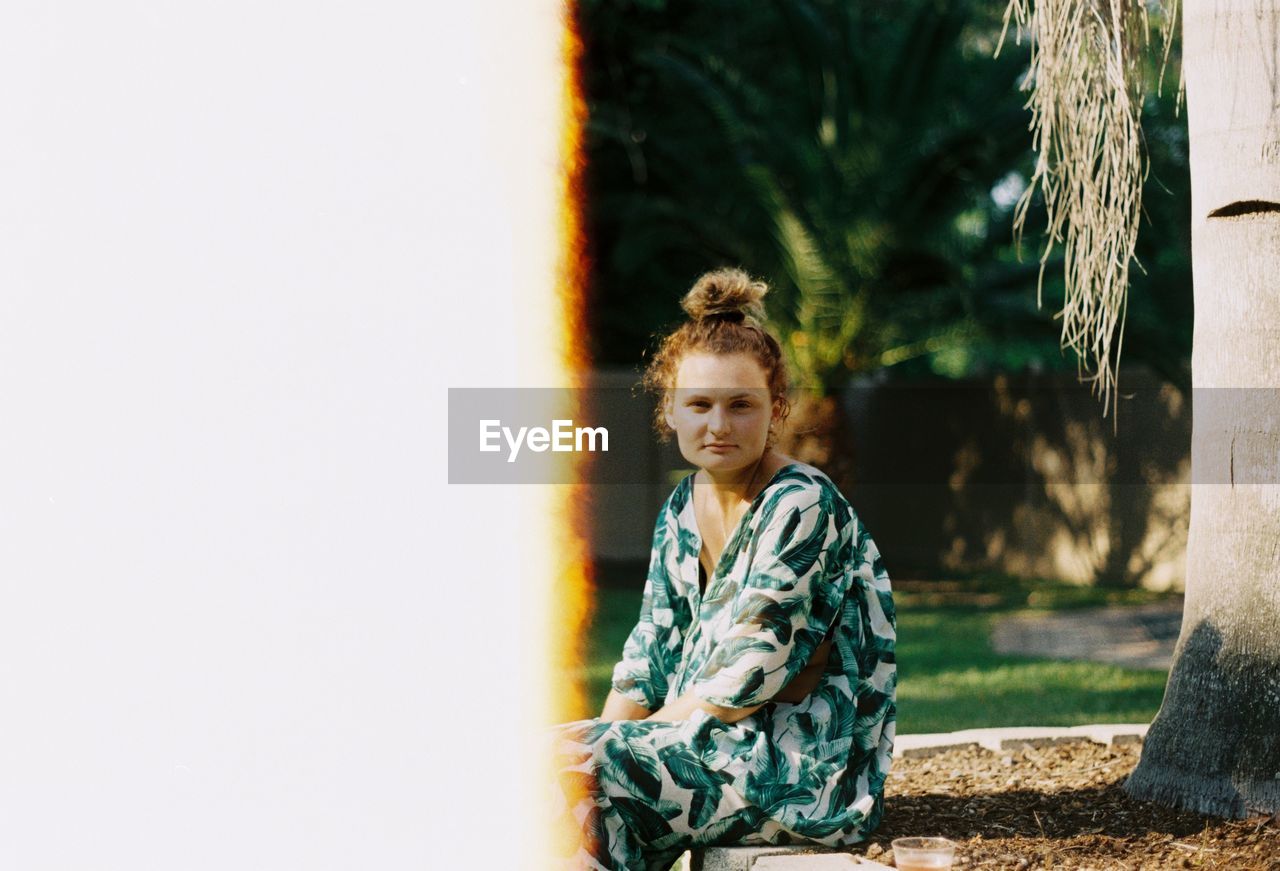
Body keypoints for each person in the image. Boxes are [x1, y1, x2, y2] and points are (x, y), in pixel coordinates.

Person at [551, 268, 896, 871]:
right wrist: (606, 738)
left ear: (776, 409)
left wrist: (613, 749)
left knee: (570, 772)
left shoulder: (801, 503)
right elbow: (646, 659)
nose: (718, 425)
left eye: (741, 405)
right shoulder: (681, 510)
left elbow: (745, 676)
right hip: (704, 747)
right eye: (700, 405)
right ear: (672, 412)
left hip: (797, 774)